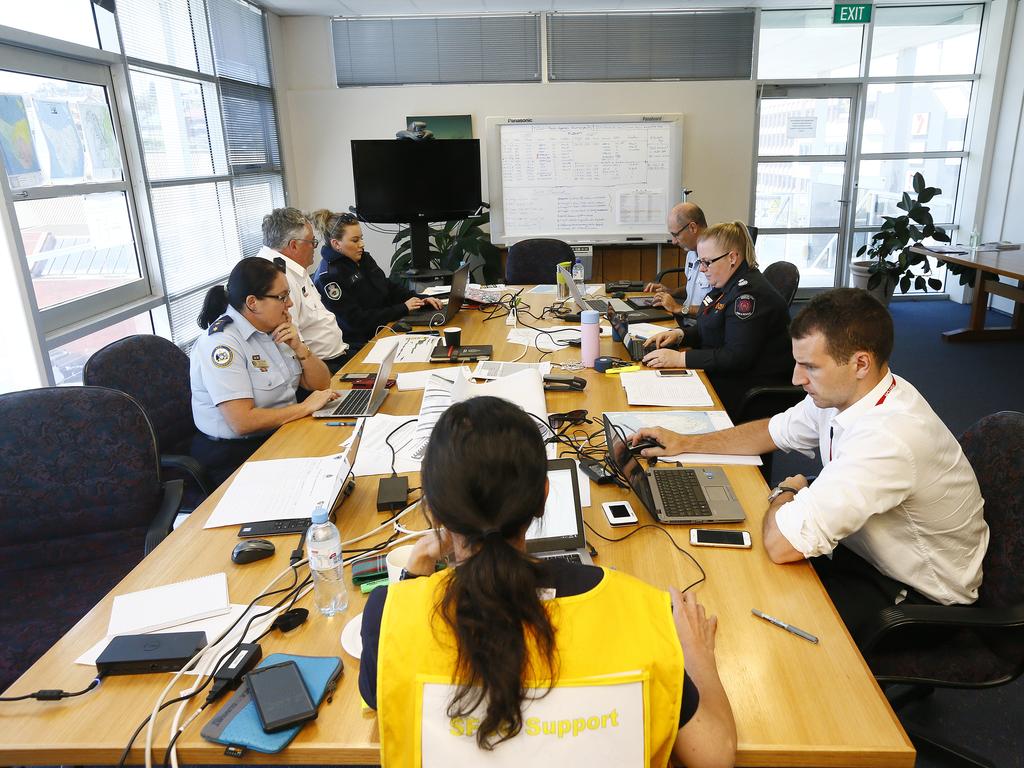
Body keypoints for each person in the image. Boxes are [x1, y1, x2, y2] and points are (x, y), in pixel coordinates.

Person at [360, 397, 736, 768]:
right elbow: (715, 756)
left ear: (435, 508)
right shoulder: (640, 612)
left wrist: (415, 572)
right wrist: (698, 656)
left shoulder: (390, 615)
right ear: (544, 494)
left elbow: (382, 699)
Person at [632, 288, 989, 641]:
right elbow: (770, 433)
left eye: (810, 367)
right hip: (861, 552)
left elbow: (782, 544)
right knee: (732, 573)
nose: (796, 379)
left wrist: (785, 491)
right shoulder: (848, 393)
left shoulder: (888, 438)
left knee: (749, 619)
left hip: (917, 599)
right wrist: (687, 443)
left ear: (860, 363)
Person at [190, 257, 339, 487]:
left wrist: (299, 347)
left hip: (282, 433)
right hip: (236, 455)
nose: (289, 304)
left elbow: (321, 385)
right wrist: (304, 407)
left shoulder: (272, 327)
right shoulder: (222, 344)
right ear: (252, 303)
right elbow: (242, 422)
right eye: (282, 297)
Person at [641, 221, 794, 417]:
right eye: (700, 262)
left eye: (707, 262)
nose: (702, 269)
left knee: (665, 406)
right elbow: (713, 326)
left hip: (749, 389)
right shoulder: (726, 284)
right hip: (728, 374)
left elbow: (736, 357)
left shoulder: (748, 296)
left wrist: (680, 358)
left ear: (732, 257)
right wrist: (680, 335)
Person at [311, 209, 443, 352]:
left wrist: (420, 299)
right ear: (336, 244)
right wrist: (402, 308)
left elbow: (388, 287)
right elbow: (355, 321)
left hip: (386, 327)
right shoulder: (329, 277)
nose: (361, 244)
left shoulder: (363, 259)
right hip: (362, 344)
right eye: (355, 240)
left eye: (361, 238)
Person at [257, 207, 349, 373]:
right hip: (320, 368)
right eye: (312, 242)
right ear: (293, 245)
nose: (315, 247)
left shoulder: (294, 267)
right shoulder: (278, 277)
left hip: (336, 358)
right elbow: (291, 344)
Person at [643, 202, 712, 316]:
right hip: (686, 319)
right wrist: (671, 292)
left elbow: (717, 308)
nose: (674, 242)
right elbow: (693, 289)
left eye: (676, 235)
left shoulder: (715, 259)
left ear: (692, 227)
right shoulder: (691, 252)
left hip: (700, 326)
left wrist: (679, 308)